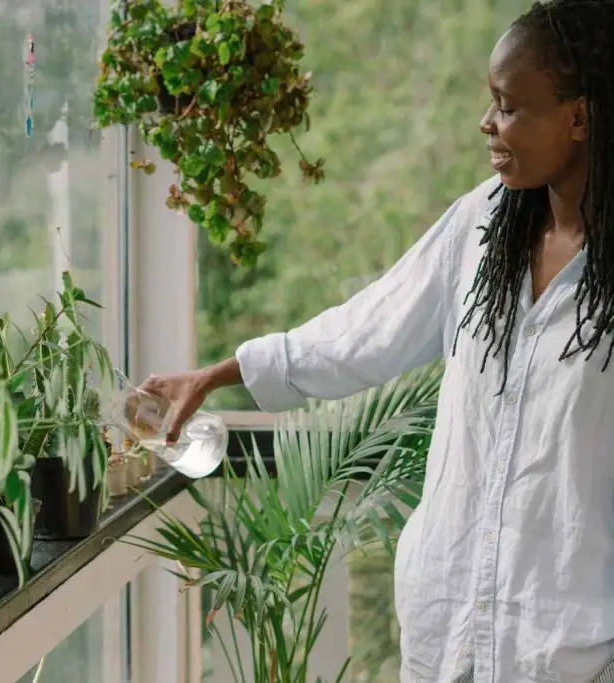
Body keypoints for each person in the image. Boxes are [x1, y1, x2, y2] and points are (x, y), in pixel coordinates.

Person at [143, 1, 614, 681]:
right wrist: (218, 373)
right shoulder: (480, 229)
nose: (487, 123)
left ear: (579, 117)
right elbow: (363, 332)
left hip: (570, 654)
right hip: (446, 633)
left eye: (509, 106)